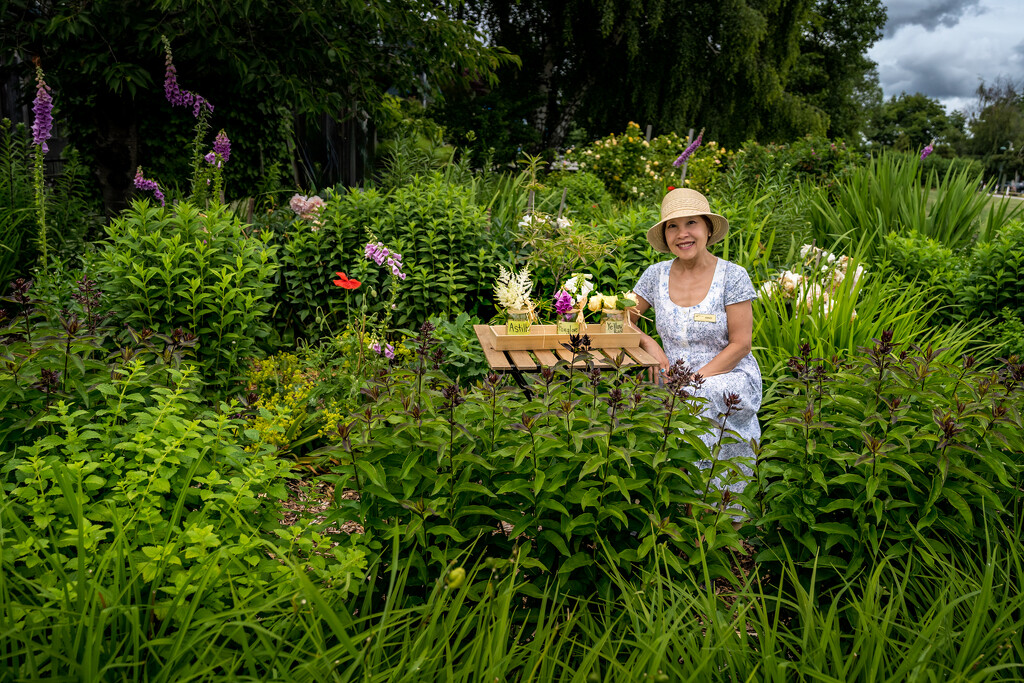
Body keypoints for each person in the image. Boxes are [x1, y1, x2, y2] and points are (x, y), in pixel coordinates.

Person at [631, 188, 762, 499]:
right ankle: (671, 507)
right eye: (672, 226)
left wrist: (693, 380)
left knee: (698, 396)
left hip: (726, 372)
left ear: (707, 228)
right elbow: (621, 320)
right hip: (669, 372)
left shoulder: (733, 276)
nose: (682, 234)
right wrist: (651, 346)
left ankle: (725, 513)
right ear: (665, 235)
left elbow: (741, 344)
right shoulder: (654, 275)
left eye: (691, 223)